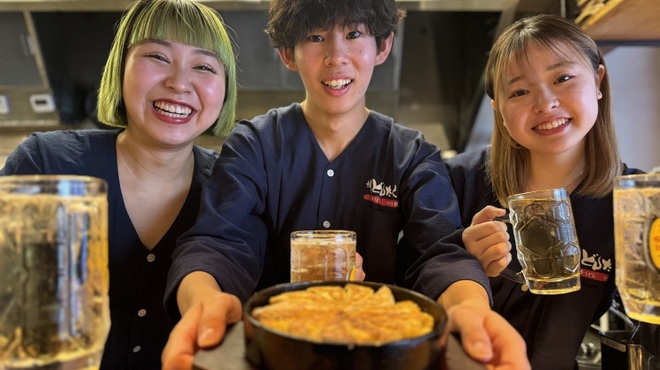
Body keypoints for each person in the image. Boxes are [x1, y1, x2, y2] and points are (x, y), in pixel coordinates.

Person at [161, 0, 530, 369]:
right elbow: (219, 242)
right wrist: (204, 300)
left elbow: (439, 252)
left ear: (382, 46)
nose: (336, 57)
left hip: (381, 355)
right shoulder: (255, 145)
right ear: (288, 54)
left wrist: (470, 308)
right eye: (316, 37)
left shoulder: (412, 155)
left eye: (354, 34)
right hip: (274, 353)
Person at [0, 0, 238, 369]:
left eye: (204, 66)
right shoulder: (45, 165)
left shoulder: (232, 191)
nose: (178, 83)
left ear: (224, 91)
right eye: (157, 57)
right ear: (120, 68)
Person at [445, 14, 645, 370]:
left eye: (563, 78)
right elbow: (408, 296)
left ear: (599, 80)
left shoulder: (634, 203)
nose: (545, 103)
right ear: (500, 112)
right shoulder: (456, 181)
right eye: (519, 91)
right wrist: (462, 269)